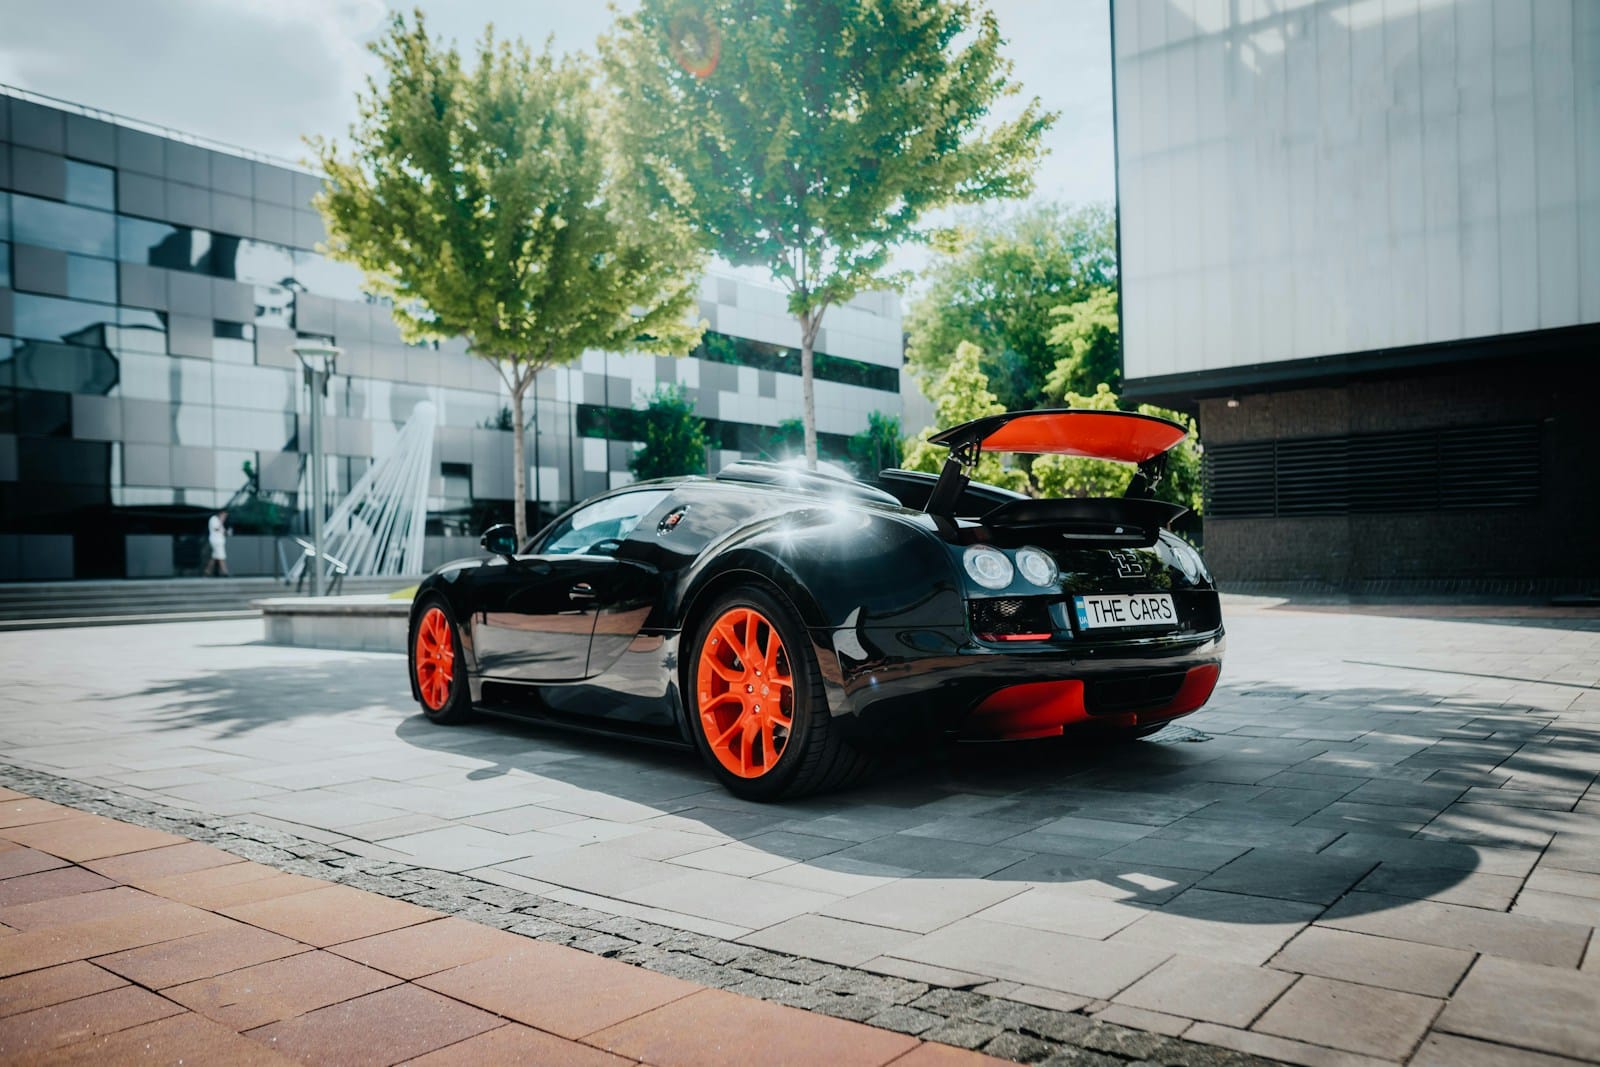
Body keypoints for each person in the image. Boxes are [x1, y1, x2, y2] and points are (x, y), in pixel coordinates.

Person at [204, 509, 230, 577]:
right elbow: (216, 529)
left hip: (219, 542)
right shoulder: (214, 519)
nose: (225, 517)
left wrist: (228, 532)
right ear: (221, 514)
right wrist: (221, 521)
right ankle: (225, 572)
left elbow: (223, 531)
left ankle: (207, 571)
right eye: (224, 515)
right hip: (216, 542)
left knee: (214, 557)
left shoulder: (219, 521)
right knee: (221, 557)